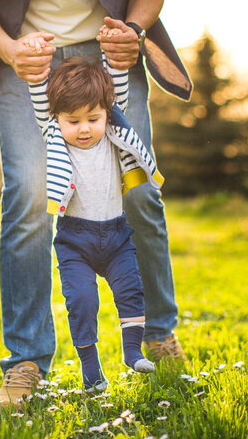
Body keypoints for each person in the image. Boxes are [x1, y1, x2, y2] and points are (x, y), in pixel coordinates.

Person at [0, 0, 193, 407]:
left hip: (110, 53)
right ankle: (25, 361)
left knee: (139, 188)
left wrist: (135, 31)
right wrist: (9, 49)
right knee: (28, 195)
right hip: (25, 56)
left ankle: (160, 336)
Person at [27, 53, 157, 392]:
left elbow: (118, 87)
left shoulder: (114, 132)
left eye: (93, 119)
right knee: (82, 301)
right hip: (75, 241)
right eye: (73, 121)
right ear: (57, 119)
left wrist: (113, 55)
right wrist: (38, 68)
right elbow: (40, 95)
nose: (84, 128)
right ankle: (91, 369)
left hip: (117, 236)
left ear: (106, 113)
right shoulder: (53, 135)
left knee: (131, 290)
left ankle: (132, 352)